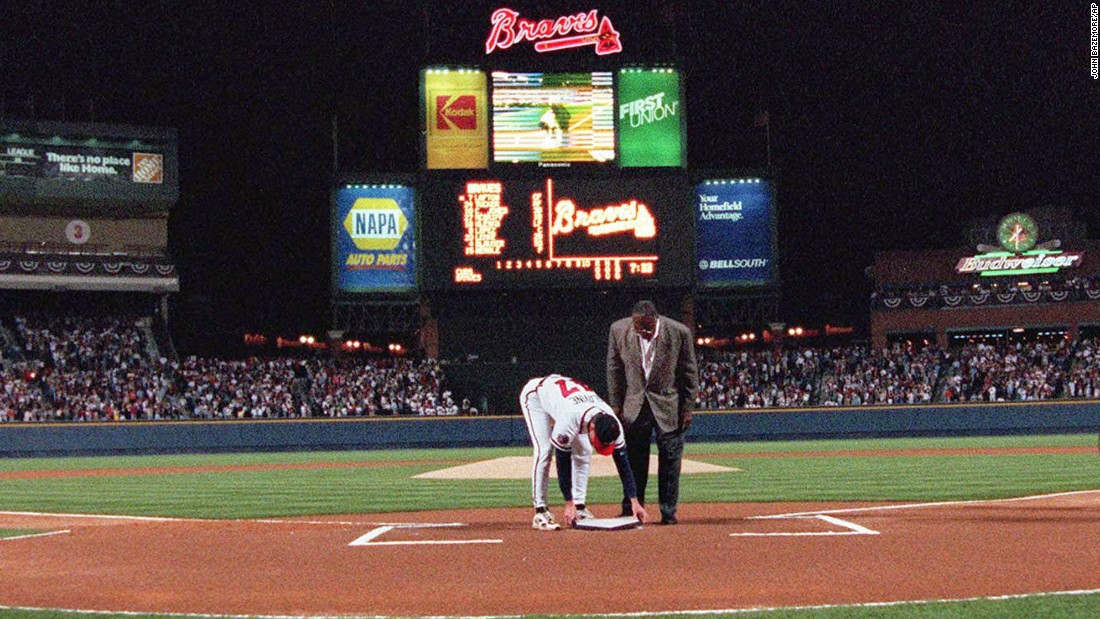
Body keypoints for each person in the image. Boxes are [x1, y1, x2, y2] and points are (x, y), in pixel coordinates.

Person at [607, 300, 698, 524]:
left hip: (669, 405)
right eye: (638, 328)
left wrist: (688, 407)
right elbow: (614, 368)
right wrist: (616, 404)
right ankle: (631, 509)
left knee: (670, 460)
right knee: (634, 461)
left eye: (647, 328)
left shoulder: (679, 332)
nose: (643, 333)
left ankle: (668, 512)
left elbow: (689, 371)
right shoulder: (618, 329)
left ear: (656, 319)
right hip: (634, 405)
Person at [519, 373, 648, 530]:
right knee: (544, 450)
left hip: (567, 400)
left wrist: (635, 501)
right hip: (536, 396)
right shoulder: (570, 419)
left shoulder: (614, 424)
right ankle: (540, 511)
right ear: (592, 428)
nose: (598, 445)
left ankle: (580, 507)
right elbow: (562, 462)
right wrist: (568, 502)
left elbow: (623, 464)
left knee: (585, 449)